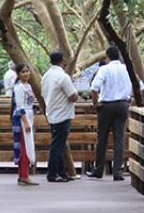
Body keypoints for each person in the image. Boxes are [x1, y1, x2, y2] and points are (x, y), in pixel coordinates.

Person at [87, 46, 132, 181]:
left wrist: (95, 104)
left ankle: (98, 169)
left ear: (107, 57)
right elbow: (139, 86)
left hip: (106, 106)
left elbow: (94, 87)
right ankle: (117, 171)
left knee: (102, 138)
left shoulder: (104, 69)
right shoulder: (126, 68)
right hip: (123, 105)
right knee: (119, 138)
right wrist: (129, 100)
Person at [41, 50, 79, 182]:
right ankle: (52, 173)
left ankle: (62, 172)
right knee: (57, 145)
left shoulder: (46, 76)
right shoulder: (63, 77)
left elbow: (43, 94)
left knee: (59, 144)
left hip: (51, 112)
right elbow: (73, 96)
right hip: (63, 114)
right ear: (62, 61)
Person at [11, 64, 39, 186]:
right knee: (24, 146)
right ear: (18, 74)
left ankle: (23, 175)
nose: (26, 73)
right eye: (23, 72)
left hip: (29, 115)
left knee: (28, 145)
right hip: (22, 118)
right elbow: (19, 106)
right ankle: (24, 175)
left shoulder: (29, 86)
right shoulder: (19, 87)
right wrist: (26, 122)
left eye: (27, 71)